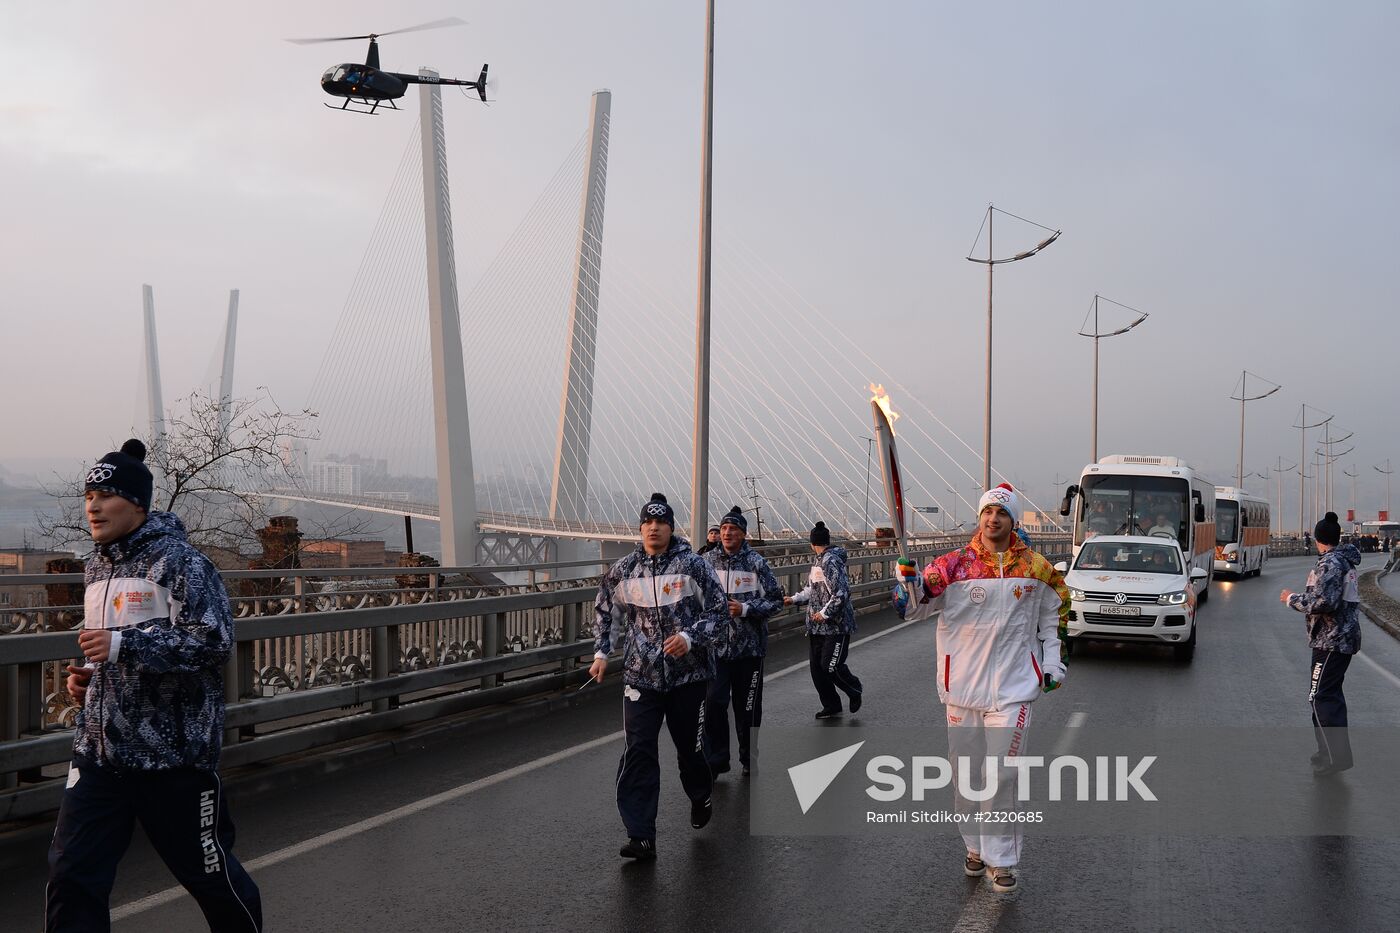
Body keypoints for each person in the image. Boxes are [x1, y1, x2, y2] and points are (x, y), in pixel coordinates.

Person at [46, 439, 262, 932]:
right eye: (87, 497)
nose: (93, 507)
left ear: (138, 503)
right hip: (100, 755)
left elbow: (212, 642)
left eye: (105, 496)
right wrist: (92, 682)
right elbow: (110, 648)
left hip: (172, 759)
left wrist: (123, 646)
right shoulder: (96, 568)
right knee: (71, 877)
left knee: (211, 878)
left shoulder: (182, 563)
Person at [892, 483, 1068, 893]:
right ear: (980, 517)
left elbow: (1054, 617)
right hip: (962, 690)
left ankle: (1002, 860)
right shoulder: (952, 566)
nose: (993, 519)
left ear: (1012, 520)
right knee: (967, 777)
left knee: (1002, 775)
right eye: (988, 512)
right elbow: (913, 610)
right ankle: (974, 846)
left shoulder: (1036, 569)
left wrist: (1054, 662)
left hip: (1014, 690)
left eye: (1002, 513)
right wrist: (908, 583)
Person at [589, 493, 727, 860]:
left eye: (661, 523)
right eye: (648, 523)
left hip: (688, 677)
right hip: (641, 677)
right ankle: (640, 835)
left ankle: (700, 794)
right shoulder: (625, 570)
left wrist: (688, 637)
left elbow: (719, 612)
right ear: (640, 529)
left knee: (690, 750)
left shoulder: (692, 566)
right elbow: (607, 610)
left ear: (670, 528)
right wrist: (603, 652)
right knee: (639, 751)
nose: (654, 528)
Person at [701, 506, 784, 777]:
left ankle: (749, 757)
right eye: (723, 529)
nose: (727, 533)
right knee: (714, 704)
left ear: (743, 534)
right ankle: (717, 760)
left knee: (747, 708)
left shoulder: (756, 563)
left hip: (749, 650)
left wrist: (745, 609)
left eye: (733, 529)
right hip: (716, 650)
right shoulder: (706, 562)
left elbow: (775, 600)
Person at [1280, 512, 1362, 776]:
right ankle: (1327, 751)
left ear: (1317, 539)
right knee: (1327, 696)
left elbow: (1325, 601)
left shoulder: (1331, 563)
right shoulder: (1343, 561)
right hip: (1337, 638)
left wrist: (1291, 598)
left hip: (1332, 639)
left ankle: (1335, 757)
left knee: (1320, 697)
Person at [784, 521, 863, 718]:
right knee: (817, 670)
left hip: (836, 625)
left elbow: (841, 593)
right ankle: (831, 705)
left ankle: (854, 689)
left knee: (830, 665)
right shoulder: (818, 561)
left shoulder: (831, 561)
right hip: (816, 626)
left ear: (812, 543)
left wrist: (825, 613)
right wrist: (794, 599)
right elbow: (813, 590)